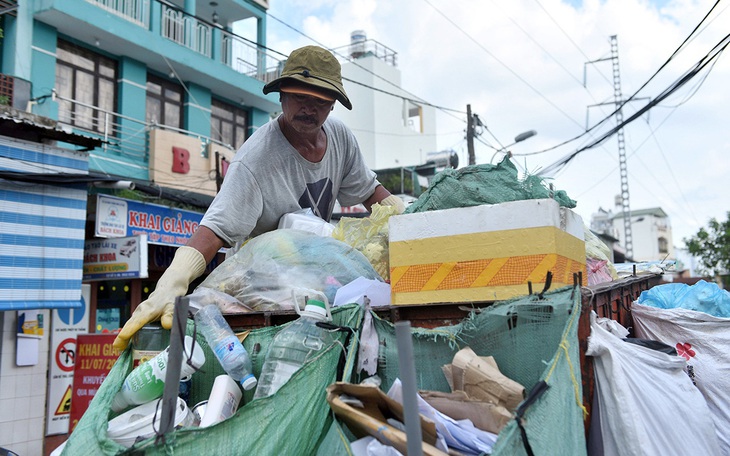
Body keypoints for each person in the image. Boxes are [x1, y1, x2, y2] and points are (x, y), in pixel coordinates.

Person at [113, 45, 404, 350]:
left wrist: (411, 219)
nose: (309, 108)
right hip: (260, 293)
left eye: (320, 100)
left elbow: (373, 194)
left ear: (332, 105)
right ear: (282, 96)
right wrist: (173, 280)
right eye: (300, 97)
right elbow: (215, 229)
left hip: (318, 284)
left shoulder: (340, 138)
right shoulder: (256, 159)